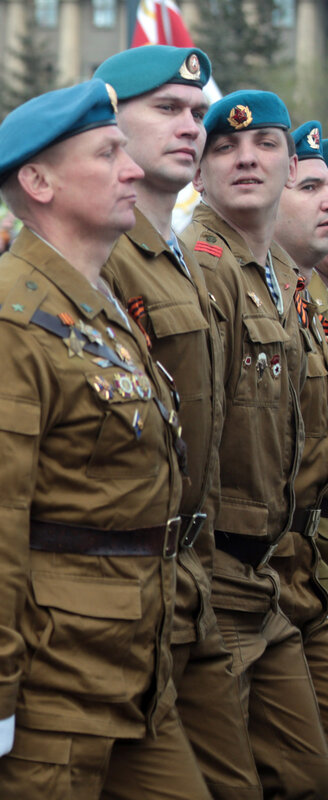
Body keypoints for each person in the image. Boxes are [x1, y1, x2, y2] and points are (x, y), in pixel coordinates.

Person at [0, 80, 209, 798]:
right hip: (50, 685)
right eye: (108, 153)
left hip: (133, 671)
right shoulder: (10, 325)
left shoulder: (93, 306)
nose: (134, 169)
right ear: (39, 181)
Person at [93, 46, 263, 800]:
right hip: (116, 578)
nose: (191, 125)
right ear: (109, 123)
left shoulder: (187, 257)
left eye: (197, 112)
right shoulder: (101, 259)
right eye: (166, 109)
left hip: (192, 567)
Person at [183, 91, 328, 797]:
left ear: (289, 161)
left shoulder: (273, 275)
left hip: (270, 573)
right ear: (197, 172)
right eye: (225, 147)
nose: (247, 158)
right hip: (220, 577)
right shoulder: (203, 268)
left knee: (303, 773)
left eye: (266, 144)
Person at [271, 118, 328, 732]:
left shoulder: (310, 297)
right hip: (265, 566)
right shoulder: (241, 289)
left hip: (310, 563)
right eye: (309, 186)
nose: (326, 201)